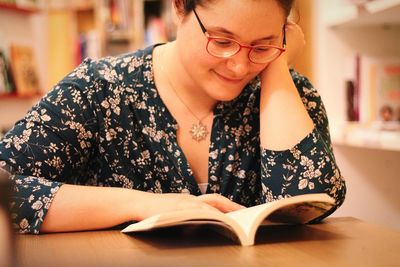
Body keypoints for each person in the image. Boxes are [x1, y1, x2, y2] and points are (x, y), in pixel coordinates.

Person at [0, 0, 346, 234]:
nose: (240, 66)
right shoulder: (99, 88)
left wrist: (277, 70)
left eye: (262, 45)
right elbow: (5, 187)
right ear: (179, 6)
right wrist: (141, 204)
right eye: (222, 40)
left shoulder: (286, 93)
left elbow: (311, 204)